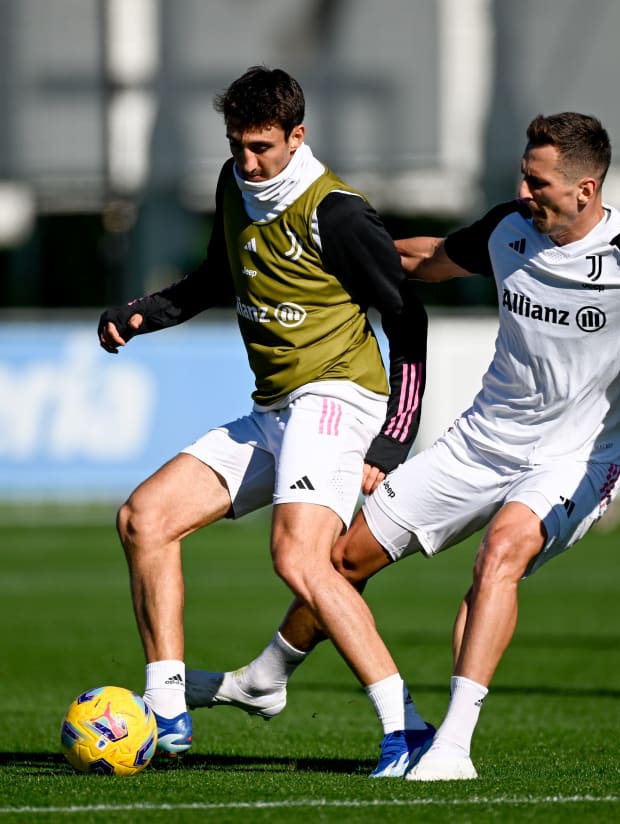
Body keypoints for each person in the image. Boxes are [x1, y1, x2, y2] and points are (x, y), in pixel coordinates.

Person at [185, 111, 620, 780]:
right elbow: (427, 257)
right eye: (523, 173)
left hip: (581, 456)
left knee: (500, 553)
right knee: (341, 560)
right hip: (485, 438)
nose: (523, 189)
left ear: (585, 190)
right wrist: (333, 249)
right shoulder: (511, 228)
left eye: (537, 181)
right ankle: (266, 677)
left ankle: (451, 746)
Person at [96, 66, 429, 765]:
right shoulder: (232, 185)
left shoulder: (337, 213)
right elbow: (218, 277)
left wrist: (395, 438)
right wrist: (143, 313)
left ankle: (407, 724)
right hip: (276, 407)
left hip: (339, 397)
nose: (247, 162)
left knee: (298, 556)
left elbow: (408, 316)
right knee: (143, 518)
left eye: (261, 148)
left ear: (296, 136)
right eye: (237, 145)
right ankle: (166, 711)